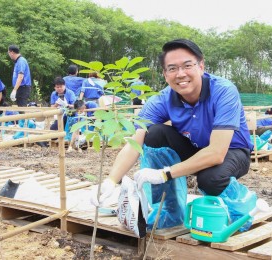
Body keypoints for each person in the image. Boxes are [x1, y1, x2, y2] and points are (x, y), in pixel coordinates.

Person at [91, 38, 253, 206]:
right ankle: (169, 209)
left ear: (201, 66)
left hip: (232, 151)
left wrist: (164, 173)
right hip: (194, 147)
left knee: (210, 179)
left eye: (187, 66)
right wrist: (110, 181)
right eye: (172, 68)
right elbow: (134, 143)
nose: (181, 74)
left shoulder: (223, 91)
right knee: (153, 133)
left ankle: (244, 202)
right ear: (165, 74)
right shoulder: (162, 100)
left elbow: (217, 153)